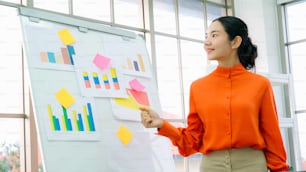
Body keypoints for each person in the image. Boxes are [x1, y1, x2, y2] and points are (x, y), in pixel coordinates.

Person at [139, 16, 290, 172]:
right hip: (212, 166)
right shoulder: (198, 87)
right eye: (206, 36)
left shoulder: (260, 84)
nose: (207, 42)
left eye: (214, 35)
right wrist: (162, 124)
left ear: (235, 42)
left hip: (252, 165)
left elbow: (272, 136)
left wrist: (279, 169)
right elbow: (191, 142)